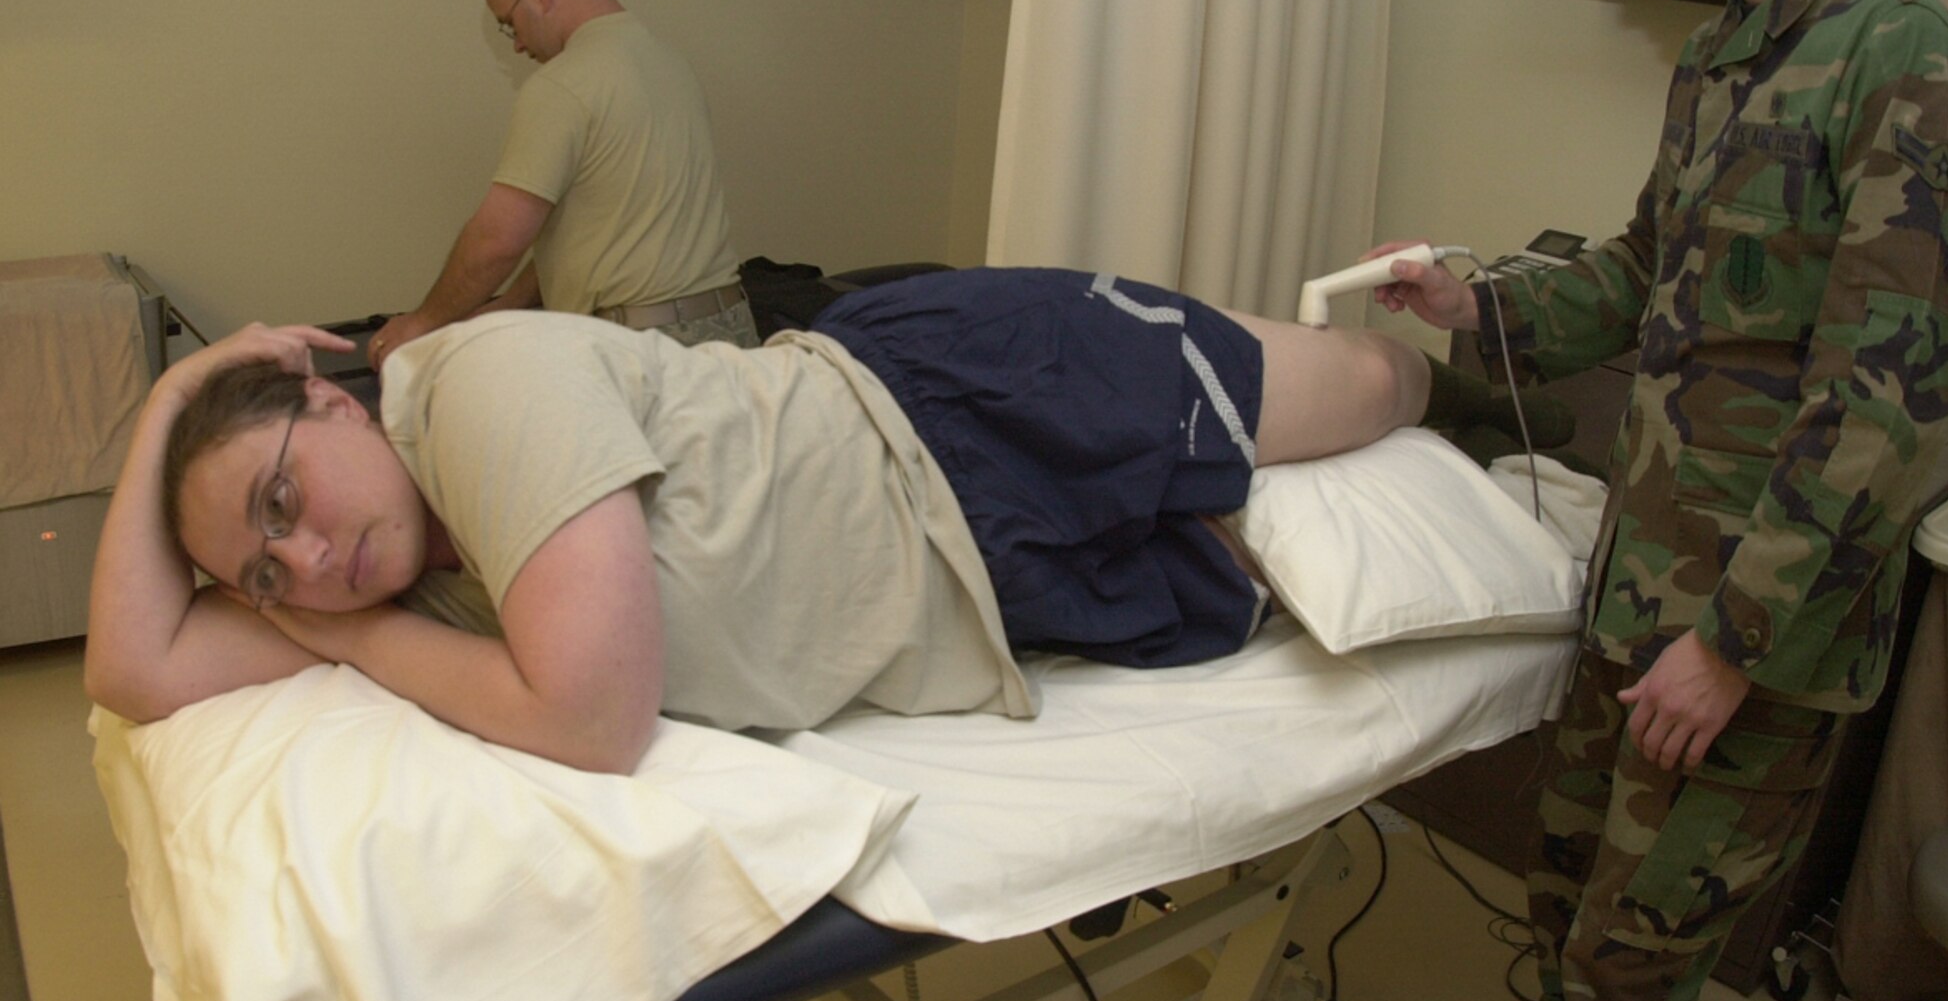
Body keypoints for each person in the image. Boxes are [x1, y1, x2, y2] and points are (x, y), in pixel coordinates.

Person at [1373, 0, 1948, 1001]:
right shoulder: (1721, 59)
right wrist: (1468, 305)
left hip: (1751, 644)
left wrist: (1729, 648)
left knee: (1627, 973)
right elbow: (1642, 271)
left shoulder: (1908, 63)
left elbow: (1883, 406)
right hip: (1640, 593)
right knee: (1560, 923)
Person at [84, 267, 1431, 776]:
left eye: (281, 499)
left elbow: (593, 718)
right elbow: (133, 670)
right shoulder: (406, 585)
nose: (310, 558)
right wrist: (171, 408)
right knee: (1273, 559)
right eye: (270, 571)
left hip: (972, 408)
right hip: (999, 589)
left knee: (1380, 388)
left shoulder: (479, 389)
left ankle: (1487, 330)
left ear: (330, 403)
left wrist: (349, 634)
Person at [368, 0, 754, 369]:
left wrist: (419, 325)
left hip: (639, 353)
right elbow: (604, 223)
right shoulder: (668, 64)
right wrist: (510, 303)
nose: (516, 43)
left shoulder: (562, 85)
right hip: (731, 340)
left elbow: (497, 240)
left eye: (508, 23)